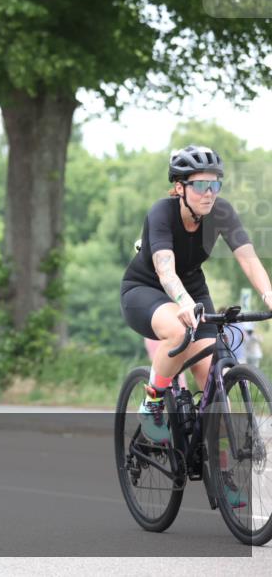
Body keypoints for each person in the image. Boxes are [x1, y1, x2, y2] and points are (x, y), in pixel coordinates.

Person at [120, 145, 272, 509]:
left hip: (192, 290)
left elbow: (248, 259)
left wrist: (268, 293)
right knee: (177, 330)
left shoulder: (221, 213)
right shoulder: (161, 213)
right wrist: (184, 303)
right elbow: (164, 269)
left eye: (215, 184)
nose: (209, 193)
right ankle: (153, 403)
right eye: (201, 185)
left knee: (214, 379)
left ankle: (221, 471)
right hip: (147, 290)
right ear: (179, 187)